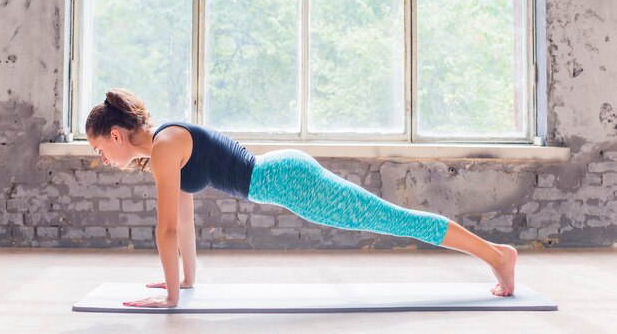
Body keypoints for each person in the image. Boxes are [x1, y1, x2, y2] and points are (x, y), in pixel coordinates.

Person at [85, 88, 517, 308]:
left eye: (100, 149)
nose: (103, 159)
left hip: (291, 181)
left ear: (117, 135)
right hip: (286, 178)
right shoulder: (166, 147)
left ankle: (498, 256)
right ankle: (496, 255)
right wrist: (185, 283)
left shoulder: (164, 147)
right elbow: (184, 217)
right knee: (389, 218)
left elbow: (166, 229)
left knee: (392, 219)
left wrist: (171, 300)